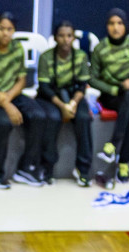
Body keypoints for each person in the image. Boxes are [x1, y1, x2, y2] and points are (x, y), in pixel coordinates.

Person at [0, 12, 55, 188]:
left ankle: (25, 168)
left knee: (38, 115)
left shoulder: (17, 48)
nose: (5, 33)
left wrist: (8, 98)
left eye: (10, 29)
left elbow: (22, 80)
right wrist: (6, 104)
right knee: (4, 121)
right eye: (1, 28)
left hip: (9, 94)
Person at [91, 9, 129, 186]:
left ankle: (113, 145)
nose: (115, 28)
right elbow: (92, 78)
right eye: (111, 23)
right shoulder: (100, 48)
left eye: (120, 23)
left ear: (125, 25)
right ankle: (123, 163)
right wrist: (112, 89)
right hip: (112, 95)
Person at [37, 21, 94, 185]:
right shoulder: (46, 57)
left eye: (69, 36)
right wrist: (63, 107)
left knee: (84, 118)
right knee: (53, 118)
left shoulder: (81, 56)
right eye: (61, 36)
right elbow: (45, 88)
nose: (65, 40)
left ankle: (83, 169)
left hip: (73, 96)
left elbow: (82, 86)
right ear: (55, 38)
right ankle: (47, 167)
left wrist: (73, 104)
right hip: (51, 96)